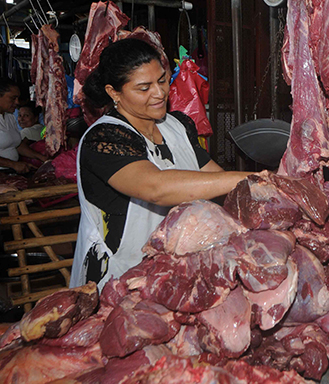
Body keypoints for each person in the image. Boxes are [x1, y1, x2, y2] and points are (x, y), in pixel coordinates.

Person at [70, 38, 252, 290]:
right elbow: (157, 188)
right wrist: (254, 178)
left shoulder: (177, 126)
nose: (159, 93)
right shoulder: (103, 138)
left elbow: (213, 179)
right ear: (114, 93)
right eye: (144, 88)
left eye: (162, 80)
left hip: (175, 273)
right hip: (119, 279)